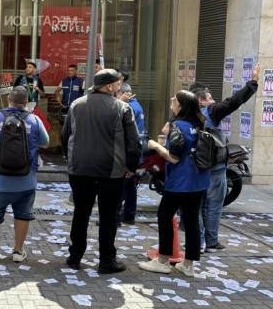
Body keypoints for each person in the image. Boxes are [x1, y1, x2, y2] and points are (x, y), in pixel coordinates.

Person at [61, 69, 141, 274]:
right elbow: (133, 143)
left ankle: (75, 257)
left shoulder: (76, 105)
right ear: (108, 87)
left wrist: (70, 159)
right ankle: (106, 260)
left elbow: (65, 135)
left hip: (79, 170)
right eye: (118, 83)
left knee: (81, 213)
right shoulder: (122, 108)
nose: (120, 87)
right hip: (111, 172)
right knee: (108, 216)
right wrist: (132, 168)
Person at [139, 90, 211, 277]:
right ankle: (188, 266)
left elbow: (173, 158)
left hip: (180, 182)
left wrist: (155, 146)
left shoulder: (177, 126)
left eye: (175, 100)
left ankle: (163, 260)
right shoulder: (199, 124)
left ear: (181, 106)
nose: (171, 101)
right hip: (198, 180)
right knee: (192, 220)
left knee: (164, 216)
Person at [191, 63, 260, 253]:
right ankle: (211, 242)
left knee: (196, 206)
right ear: (201, 100)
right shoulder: (211, 112)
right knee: (213, 205)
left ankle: (198, 241)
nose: (213, 101)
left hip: (195, 168)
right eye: (210, 98)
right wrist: (253, 82)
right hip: (214, 168)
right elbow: (234, 101)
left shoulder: (184, 115)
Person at [0, 86, 49, 263]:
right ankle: (18, 252)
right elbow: (45, 142)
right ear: (26, 102)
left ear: (9, 99)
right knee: (23, 215)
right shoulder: (34, 119)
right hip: (26, 180)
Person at [116, 82, 147, 224]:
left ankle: (117, 214)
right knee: (130, 186)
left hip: (129, 152)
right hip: (135, 151)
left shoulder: (128, 108)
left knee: (123, 185)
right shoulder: (137, 105)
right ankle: (129, 215)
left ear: (122, 93)